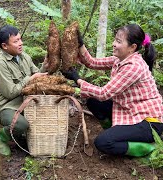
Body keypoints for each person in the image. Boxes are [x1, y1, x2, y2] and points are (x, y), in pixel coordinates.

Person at [62, 24, 163, 157]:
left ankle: (148, 148)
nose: (114, 44)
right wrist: (80, 44)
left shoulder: (134, 67)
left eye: (119, 42)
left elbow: (104, 93)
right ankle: (115, 131)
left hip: (148, 122)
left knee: (103, 142)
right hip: (130, 111)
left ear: (132, 47)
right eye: (115, 40)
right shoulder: (120, 59)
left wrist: (78, 79)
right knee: (93, 102)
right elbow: (92, 62)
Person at [0, 25, 48, 156]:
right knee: (21, 125)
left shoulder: (23, 56)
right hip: (6, 106)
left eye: (20, 39)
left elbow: (36, 75)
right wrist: (30, 79)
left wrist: (44, 67)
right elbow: (9, 93)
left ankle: (21, 135)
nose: (21, 43)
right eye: (16, 41)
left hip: (25, 101)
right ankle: (0, 139)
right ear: (4, 46)